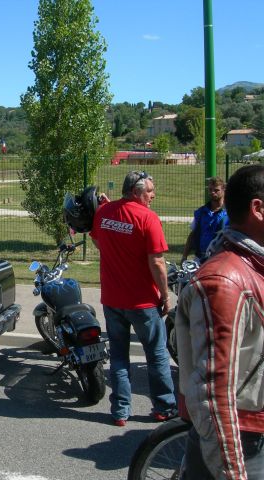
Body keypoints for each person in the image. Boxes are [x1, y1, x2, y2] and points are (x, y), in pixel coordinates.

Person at [176, 164, 264, 479]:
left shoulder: (254, 265)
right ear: (258, 209)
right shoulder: (224, 282)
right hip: (243, 440)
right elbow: (213, 393)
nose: (213, 193)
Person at [90, 170, 177, 427]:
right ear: (137, 192)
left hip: (113, 299)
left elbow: (98, 241)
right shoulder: (147, 218)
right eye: (150, 191)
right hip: (143, 303)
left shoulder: (104, 213)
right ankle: (164, 407)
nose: (153, 195)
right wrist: (165, 296)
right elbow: (157, 262)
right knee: (157, 355)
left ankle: (120, 411)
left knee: (118, 356)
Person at [181, 176, 228, 264]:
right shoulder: (201, 212)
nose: (212, 193)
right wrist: (184, 256)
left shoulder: (230, 213)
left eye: (216, 190)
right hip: (199, 258)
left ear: (223, 190)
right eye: (210, 190)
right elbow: (193, 235)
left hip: (220, 259)